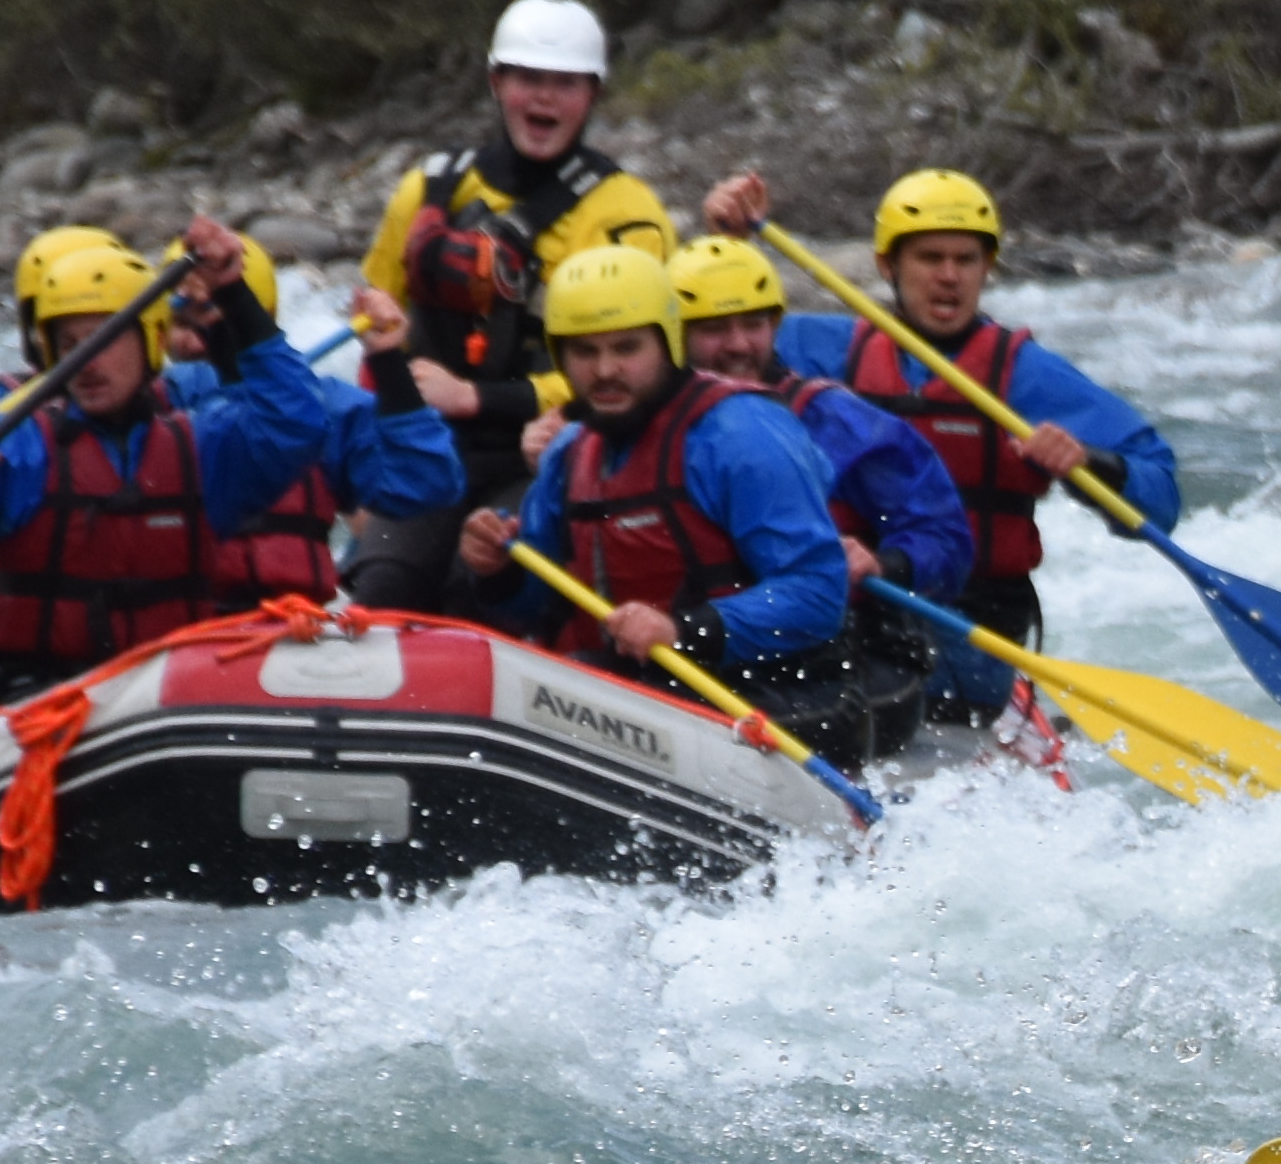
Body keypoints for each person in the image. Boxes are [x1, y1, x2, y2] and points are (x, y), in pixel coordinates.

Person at [696, 163, 1179, 722]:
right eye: (930, 258)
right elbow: (699, 342)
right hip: (842, 610)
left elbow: (1160, 495)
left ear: (987, 268)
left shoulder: (1027, 376)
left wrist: (1089, 463)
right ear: (888, 266)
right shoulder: (823, 348)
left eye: (965, 259)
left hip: (968, 631)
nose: (949, 276)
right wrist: (727, 247)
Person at [0, 221, 403, 704]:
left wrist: (232, 294)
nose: (87, 362)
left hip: (161, 694)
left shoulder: (203, 446)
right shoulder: (10, 442)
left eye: (105, 341)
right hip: (33, 695)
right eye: (71, 343)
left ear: (150, 341)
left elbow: (298, 421)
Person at [453, 243, 863, 754]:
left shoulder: (742, 434)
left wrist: (683, 630)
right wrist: (497, 569)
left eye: (626, 349)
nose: (605, 370)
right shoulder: (570, 452)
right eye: (585, 352)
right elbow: (533, 604)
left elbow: (819, 593)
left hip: (776, 691)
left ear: (667, 343)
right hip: (647, 692)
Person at [342, 0, 678, 601]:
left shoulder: (628, 216)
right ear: (497, 83)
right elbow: (375, 331)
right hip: (429, 451)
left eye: (565, 84)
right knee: (380, 587)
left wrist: (476, 398)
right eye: (528, 79)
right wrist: (367, 464)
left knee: (480, 587)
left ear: (592, 94)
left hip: (549, 450)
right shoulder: (427, 189)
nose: (545, 98)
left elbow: (637, 369)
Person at [673, 234, 965, 757]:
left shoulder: (839, 421)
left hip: (844, 663)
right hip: (702, 650)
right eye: (714, 329)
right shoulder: (631, 432)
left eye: (753, 325)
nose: (738, 345)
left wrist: (885, 563)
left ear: (775, 327)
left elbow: (945, 535)